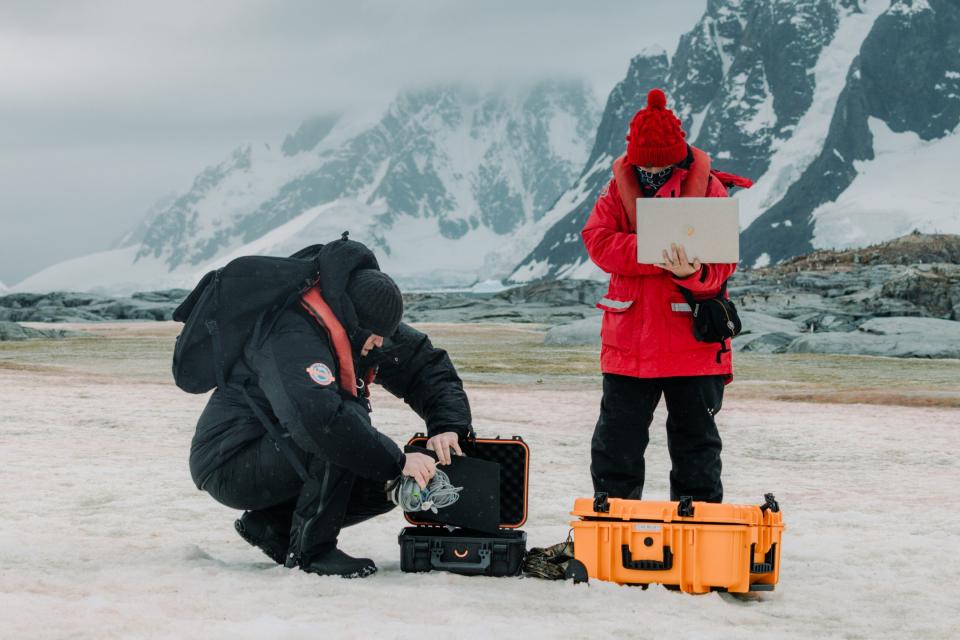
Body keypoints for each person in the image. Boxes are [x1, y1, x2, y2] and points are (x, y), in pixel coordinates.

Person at [187, 239, 473, 578]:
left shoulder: (361, 321)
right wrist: (397, 459)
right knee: (349, 430)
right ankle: (312, 552)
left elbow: (423, 365)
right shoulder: (291, 332)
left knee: (388, 480)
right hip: (229, 461)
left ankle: (273, 528)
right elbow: (318, 420)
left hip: (282, 451)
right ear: (353, 321)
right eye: (376, 337)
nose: (381, 344)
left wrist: (448, 424)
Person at [581, 88, 750, 504]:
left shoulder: (710, 189)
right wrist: (656, 254)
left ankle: (699, 542)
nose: (654, 167)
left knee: (696, 451)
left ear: (679, 152)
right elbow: (597, 243)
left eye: (662, 159)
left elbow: (722, 267)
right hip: (630, 347)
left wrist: (692, 274)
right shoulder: (615, 190)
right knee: (615, 450)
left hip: (689, 345)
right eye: (646, 160)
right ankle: (612, 537)